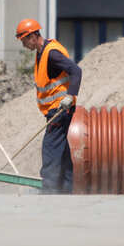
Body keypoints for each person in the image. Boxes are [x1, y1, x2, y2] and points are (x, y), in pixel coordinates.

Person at [16, 18, 82, 194]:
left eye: (24, 40)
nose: (24, 45)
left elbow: (76, 70)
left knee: (50, 145)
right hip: (55, 108)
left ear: (32, 36)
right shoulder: (42, 52)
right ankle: (66, 189)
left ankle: (49, 189)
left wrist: (70, 95)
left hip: (61, 107)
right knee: (61, 148)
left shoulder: (51, 53)